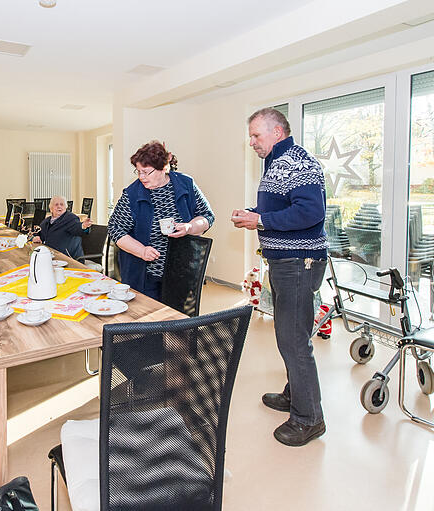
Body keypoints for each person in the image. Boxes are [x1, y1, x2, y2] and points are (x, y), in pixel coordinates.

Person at [231, 107, 328, 447]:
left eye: (256, 135)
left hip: (298, 261)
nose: (252, 142)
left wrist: (261, 221)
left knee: (292, 339)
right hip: (286, 260)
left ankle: (309, 418)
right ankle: (294, 395)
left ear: (276, 132)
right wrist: (254, 214)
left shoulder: (297, 162)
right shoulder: (277, 163)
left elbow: (310, 212)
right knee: (291, 333)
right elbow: (283, 209)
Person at [108, 141, 214, 300]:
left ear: (164, 168)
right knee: (147, 320)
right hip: (145, 275)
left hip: (180, 272)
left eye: (146, 172)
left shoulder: (186, 184)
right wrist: (141, 251)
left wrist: (189, 227)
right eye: (138, 172)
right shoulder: (132, 194)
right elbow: (115, 228)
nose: (141, 177)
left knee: (175, 319)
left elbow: (207, 216)